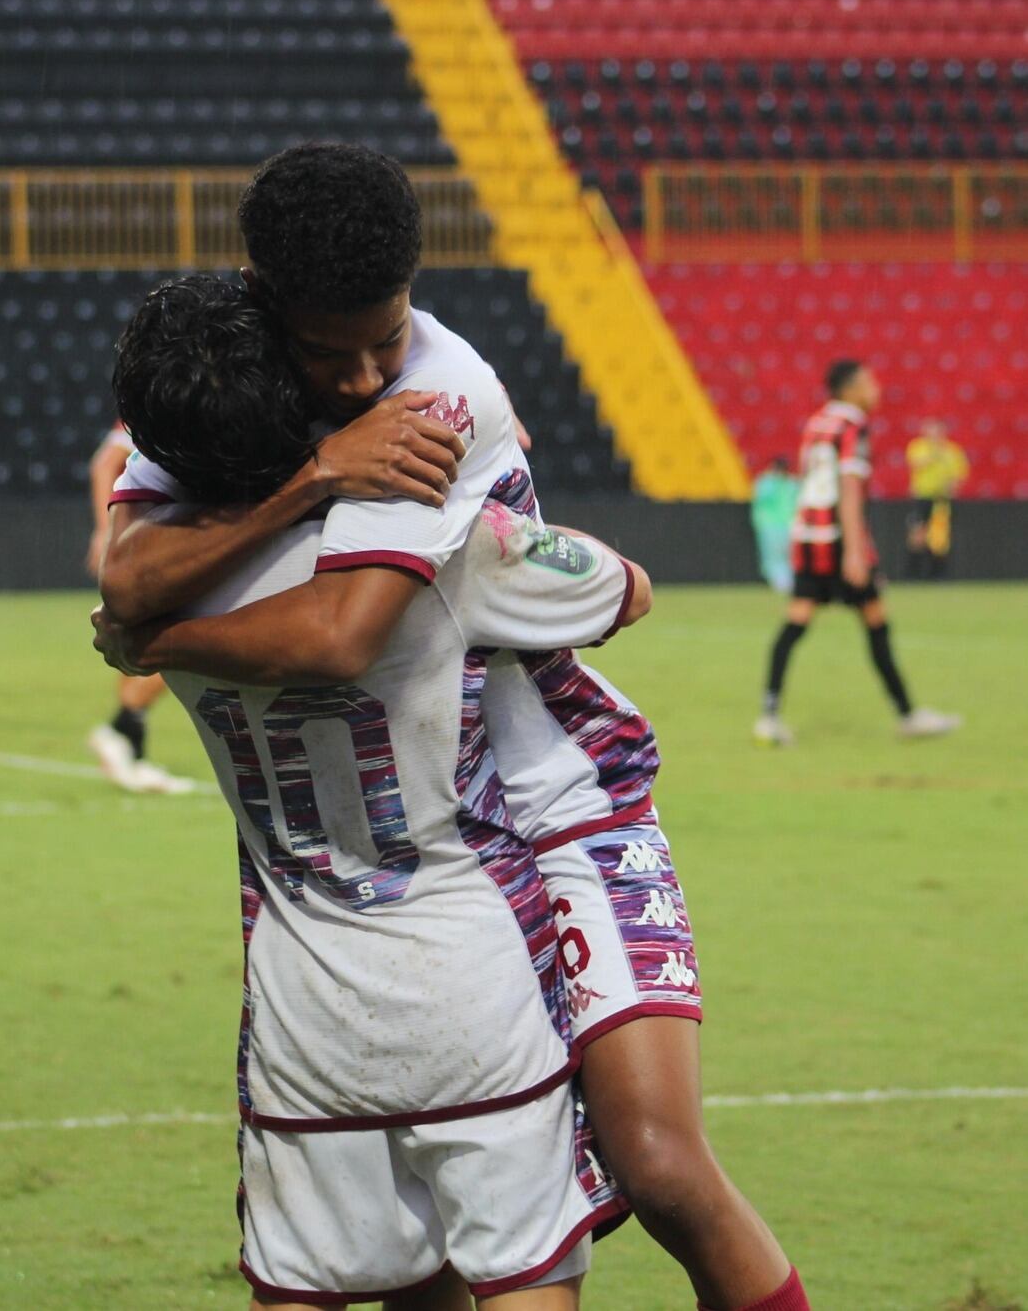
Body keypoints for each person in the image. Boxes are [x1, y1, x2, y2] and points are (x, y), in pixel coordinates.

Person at [99, 143, 810, 1311]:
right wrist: (315, 475)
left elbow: (339, 635)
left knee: (662, 1164)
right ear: (267, 301)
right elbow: (126, 576)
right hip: (419, 828)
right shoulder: (231, 392)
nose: (364, 376)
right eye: (332, 353)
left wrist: (162, 638)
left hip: (561, 804)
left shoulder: (439, 398)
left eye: (386, 336)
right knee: (410, 1231)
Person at [99, 275, 650, 1309]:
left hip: (303, 1004)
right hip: (468, 979)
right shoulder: (433, 553)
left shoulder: (162, 605)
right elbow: (621, 589)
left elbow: (123, 582)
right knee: (523, 1273)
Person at [754, 360, 960, 745]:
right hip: (836, 538)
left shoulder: (817, 422)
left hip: (809, 535)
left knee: (796, 621)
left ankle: (768, 716)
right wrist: (855, 551)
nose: (875, 389)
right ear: (849, 389)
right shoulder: (852, 425)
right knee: (876, 620)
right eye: (869, 382)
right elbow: (849, 488)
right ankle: (908, 715)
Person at [83, 420, 193, 793]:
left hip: (158, 537)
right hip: (155, 540)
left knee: (149, 643)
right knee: (180, 644)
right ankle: (120, 732)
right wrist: (106, 531)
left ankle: (129, 743)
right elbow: (104, 465)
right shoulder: (159, 404)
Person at [904, 419, 968, 579]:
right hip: (923, 495)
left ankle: (937, 574)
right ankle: (913, 573)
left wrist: (953, 486)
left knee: (939, 536)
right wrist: (935, 453)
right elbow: (916, 464)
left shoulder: (953, 450)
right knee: (918, 532)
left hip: (941, 498)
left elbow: (960, 472)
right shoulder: (918, 446)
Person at [750, 456, 798, 593]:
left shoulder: (790, 484)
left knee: (787, 556)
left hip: (786, 526)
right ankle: (780, 582)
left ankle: (786, 582)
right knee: (774, 556)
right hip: (771, 526)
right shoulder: (767, 483)